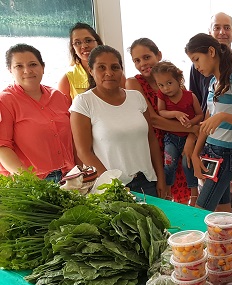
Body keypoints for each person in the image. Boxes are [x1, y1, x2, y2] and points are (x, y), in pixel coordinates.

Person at [70, 45, 166, 197]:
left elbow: (151, 140)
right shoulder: (84, 102)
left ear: (121, 70)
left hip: (147, 182)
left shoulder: (136, 97)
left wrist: (161, 178)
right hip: (110, 189)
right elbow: (84, 152)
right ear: (91, 71)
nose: (109, 73)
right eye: (101, 67)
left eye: (115, 67)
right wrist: (113, 186)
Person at [185, 33, 232, 212]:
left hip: (225, 154)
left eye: (197, 59)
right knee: (223, 209)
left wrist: (223, 116)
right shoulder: (213, 82)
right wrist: (195, 154)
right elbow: (206, 122)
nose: (196, 67)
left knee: (201, 210)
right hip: (210, 150)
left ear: (211, 52)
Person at [126, 38, 199, 204]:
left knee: (183, 197)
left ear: (158, 55)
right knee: (160, 199)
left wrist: (190, 138)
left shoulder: (172, 81)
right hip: (152, 148)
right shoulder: (133, 83)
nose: (142, 63)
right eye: (137, 60)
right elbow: (153, 120)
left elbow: (190, 114)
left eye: (146, 57)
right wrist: (192, 130)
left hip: (178, 144)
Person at [0, 44, 75, 182]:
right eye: (19, 66)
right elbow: (2, 147)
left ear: (43, 67)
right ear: (10, 70)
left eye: (33, 64)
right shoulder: (5, 101)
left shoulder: (58, 96)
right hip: (33, 182)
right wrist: (30, 181)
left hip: (69, 175)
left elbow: (73, 137)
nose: (27, 71)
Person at [151, 61, 202, 203]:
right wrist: (176, 113)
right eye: (161, 85)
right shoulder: (162, 96)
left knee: (188, 164)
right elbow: (161, 112)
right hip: (171, 138)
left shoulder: (189, 96)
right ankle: (167, 193)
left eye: (169, 83)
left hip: (188, 139)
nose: (165, 88)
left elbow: (200, 115)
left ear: (178, 80)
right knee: (169, 164)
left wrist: (191, 123)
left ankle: (194, 194)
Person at [189, 12, 232, 114]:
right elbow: (194, 101)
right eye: (216, 28)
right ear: (209, 33)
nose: (222, 32)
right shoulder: (198, 67)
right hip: (207, 127)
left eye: (227, 28)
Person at [58, 22, 125, 101]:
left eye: (88, 40)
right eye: (78, 43)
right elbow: (64, 112)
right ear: (73, 48)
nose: (84, 46)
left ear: (98, 43)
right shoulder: (67, 80)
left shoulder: (115, 73)